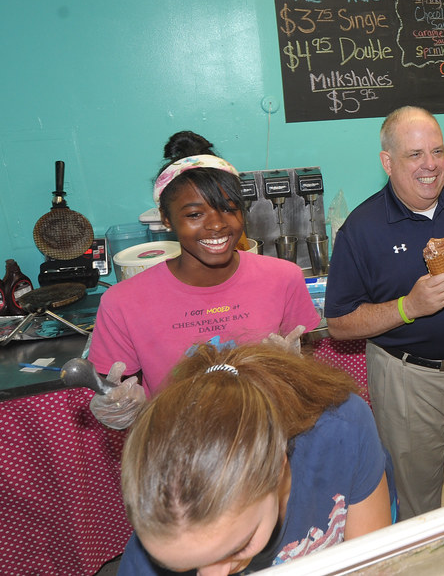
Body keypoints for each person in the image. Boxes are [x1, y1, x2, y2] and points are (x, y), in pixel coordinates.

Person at [325, 106, 444, 519]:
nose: (430, 165)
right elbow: (340, 323)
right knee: (417, 496)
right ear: (388, 161)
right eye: (415, 154)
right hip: (405, 377)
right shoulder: (361, 229)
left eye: (438, 151)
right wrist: (408, 307)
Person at [88, 131, 321, 429]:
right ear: (167, 218)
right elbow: (113, 389)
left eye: (229, 209)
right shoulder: (123, 303)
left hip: (270, 441)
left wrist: (294, 370)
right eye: (195, 214)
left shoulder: (283, 277)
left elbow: (306, 369)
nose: (216, 224)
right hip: (178, 450)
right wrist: (119, 407)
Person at [117, 343, 393, 575]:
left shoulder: (342, 428)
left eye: (238, 548)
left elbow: (370, 563)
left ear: (277, 465)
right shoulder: (164, 528)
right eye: (186, 568)